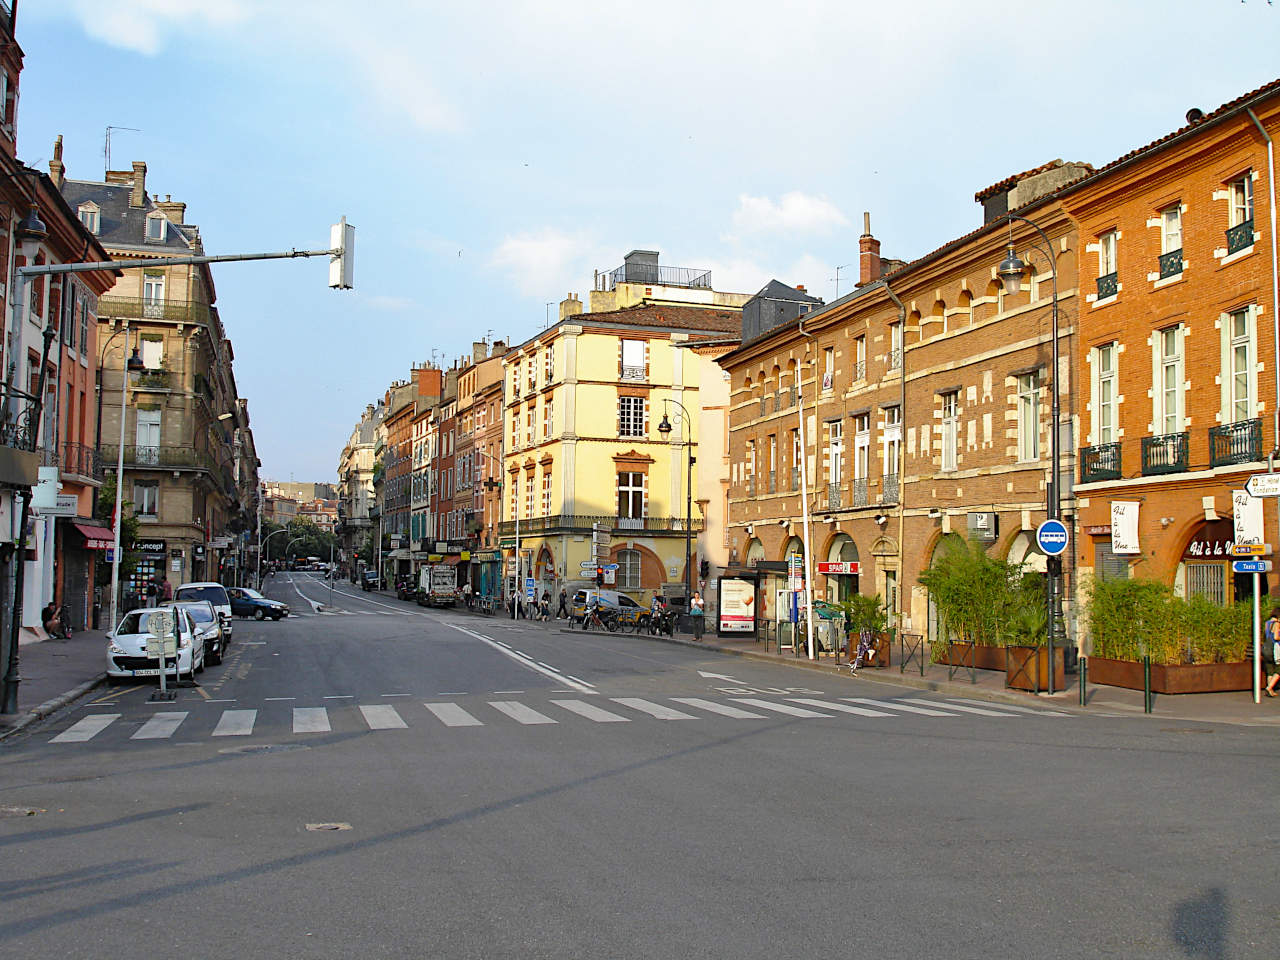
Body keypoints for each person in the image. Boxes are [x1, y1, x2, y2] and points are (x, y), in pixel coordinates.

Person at [1265, 607, 1280, 697]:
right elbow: (1275, 637)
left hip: (1266, 648)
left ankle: (1270, 689)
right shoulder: (1277, 624)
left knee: (1270, 669)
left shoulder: (1267, 623)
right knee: (1278, 669)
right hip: (1275, 648)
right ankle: (1269, 687)